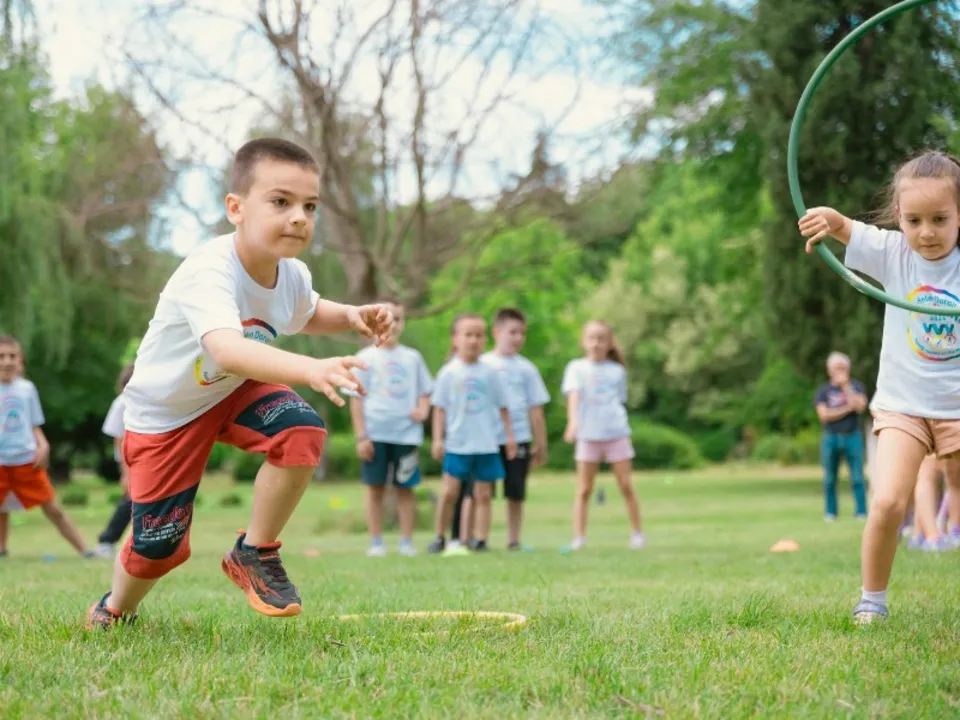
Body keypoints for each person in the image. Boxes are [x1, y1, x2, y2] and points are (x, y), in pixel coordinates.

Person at [85, 137, 394, 629]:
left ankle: (255, 551)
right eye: (281, 201)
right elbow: (228, 349)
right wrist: (311, 370)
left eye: (310, 206)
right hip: (167, 414)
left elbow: (308, 310)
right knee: (159, 546)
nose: (299, 217)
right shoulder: (209, 270)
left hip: (232, 389)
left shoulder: (291, 274)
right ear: (236, 208)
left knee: (301, 431)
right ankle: (115, 608)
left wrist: (351, 314)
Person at [799, 150, 960, 623]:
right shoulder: (894, 253)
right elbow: (844, 226)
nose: (926, 232)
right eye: (913, 220)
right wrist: (828, 219)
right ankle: (872, 600)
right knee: (888, 501)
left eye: (939, 219)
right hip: (903, 407)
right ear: (898, 215)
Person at [349, 301, 433, 557]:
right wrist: (361, 436)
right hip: (375, 434)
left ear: (403, 322)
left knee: (405, 488)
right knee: (375, 489)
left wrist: (423, 410)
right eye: (385, 318)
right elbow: (356, 400)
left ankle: (406, 542)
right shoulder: (364, 358)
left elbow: (426, 392)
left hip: (406, 435)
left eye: (397, 318)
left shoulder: (413, 358)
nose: (392, 323)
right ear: (373, 322)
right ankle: (376, 543)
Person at [427, 313, 516, 554]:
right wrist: (438, 439)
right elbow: (439, 409)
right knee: (450, 492)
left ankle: (481, 539)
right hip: (458, 443)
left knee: (483, 494)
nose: (474, 340)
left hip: (486, 443)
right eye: (468, 335)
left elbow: (503, 407)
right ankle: (440, 536)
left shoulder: (490, 373)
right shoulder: (449, 372)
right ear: (455, 339)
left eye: (479, 335)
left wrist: (509, 437)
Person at [0, 335, 94, 559]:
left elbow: (34, 424)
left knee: (53, 508)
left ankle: (85, 550)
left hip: (26, 460)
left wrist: (43, 445)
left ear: (20, 360)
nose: (7, 361)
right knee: (2, 509)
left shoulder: (27, 389)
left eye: (12, 356)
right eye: (1, 356)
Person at [562, 320, 644, 551]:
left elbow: (619, 400)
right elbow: (574, 396)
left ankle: (637, 533)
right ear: (583, 341)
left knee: (625, 485)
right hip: (588, 436)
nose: (596, 343)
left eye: (601, 339)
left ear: (609, 343)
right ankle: (579, 537)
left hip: (616, 433)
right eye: (591, 338)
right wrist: (574, 422)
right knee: (584, 489)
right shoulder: (576, 368)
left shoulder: (617, 371)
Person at [478, 307, 550, 550]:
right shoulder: (483, 364)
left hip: (519, 436)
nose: (518, 337)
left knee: (516, 492)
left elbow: (536, 409)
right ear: (496, 332)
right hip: (487, 438)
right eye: (513, 332)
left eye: (522, 333)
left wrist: (540, 443)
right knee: (483, 491)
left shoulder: (527, 369)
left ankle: (514, 540)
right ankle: (481, 538)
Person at [813, 351, 869, 521]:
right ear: (829, 370)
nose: (840, 371)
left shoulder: (857, 387)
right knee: (830, 477)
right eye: (836, 367)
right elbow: (824, 415)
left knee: (857, 476)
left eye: (843, 367)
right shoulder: (823, 391)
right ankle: (831, 513)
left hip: (853, 436)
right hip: (831, 437)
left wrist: (846, 387)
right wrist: (846, 409)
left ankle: (861, 512)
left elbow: (860, 406)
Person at [92, 363, 136, 558]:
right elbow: (119, 440)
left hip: (150, 459)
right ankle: (107, 541)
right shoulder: (122, 403)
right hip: (131, 461)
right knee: (130, 500)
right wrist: (125, 473)